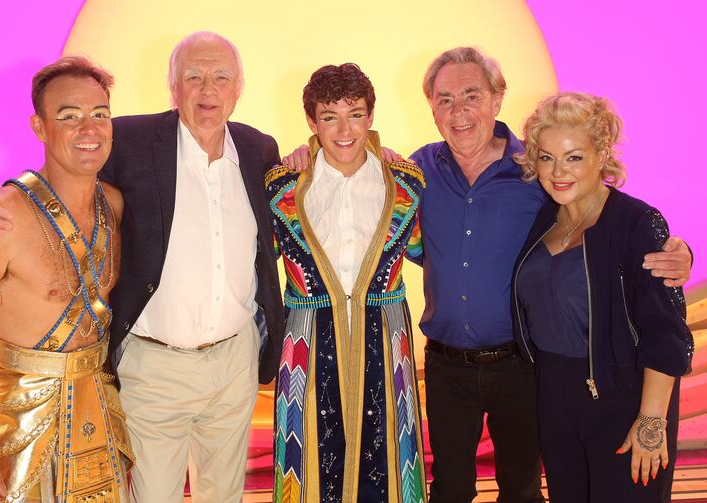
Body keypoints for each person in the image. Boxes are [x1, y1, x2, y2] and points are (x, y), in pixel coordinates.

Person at [284, 46, 692, 502]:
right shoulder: (413, 175)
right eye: (444, 100)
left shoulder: (535, 172)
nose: (458, 111)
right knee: (450, 490)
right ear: (432, 109)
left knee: (521, 489)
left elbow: (604, 218)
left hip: (522, 366)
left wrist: (677, 253)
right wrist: (311, 149)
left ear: (498, 98)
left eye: (471, 95)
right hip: (445, 367)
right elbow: (363, 206)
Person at [0, 32, 285, 502]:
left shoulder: (259, 150)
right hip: (155, 365)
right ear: (173, 87)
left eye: (221, 78)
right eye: (194, 77)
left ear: (239, 87)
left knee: (224, 493)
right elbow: (59, 178)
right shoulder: (124, 140)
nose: (208, 90)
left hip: (235, 360)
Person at [0, 56, 133, 503]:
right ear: (39, 127)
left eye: (100, 115)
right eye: (69, 116)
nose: (89, 129)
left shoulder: (115, 205)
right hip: (17, 427)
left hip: (100, 414)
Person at [511, 92, 692, 503]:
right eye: (545, 157)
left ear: (601, 155)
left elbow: (665, 333)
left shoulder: (636, 223)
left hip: (623, 395)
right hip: (554, 395)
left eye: (573, 157)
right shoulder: (543, 216)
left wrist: (651, 421)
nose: (558, 171)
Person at [266, 63, 427, 503]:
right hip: (305, 340)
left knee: (391, 460)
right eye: (330, 116)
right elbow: (254, 264)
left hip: (387, 337)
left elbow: (435, 255)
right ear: (312, 121)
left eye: (355, 113)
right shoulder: (282, 187)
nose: (344, 129)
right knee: (308, 465)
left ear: (371, 116)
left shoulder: (407, 184)